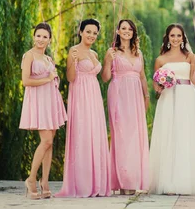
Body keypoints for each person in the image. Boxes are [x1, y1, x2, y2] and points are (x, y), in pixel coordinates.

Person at [149, 23, 195, 195]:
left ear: (183, 38)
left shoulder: (189, 56)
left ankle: (186, 181)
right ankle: (168, 182)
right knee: (169, 135)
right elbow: (155, 83)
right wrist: (159, 86)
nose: (175, 39)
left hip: (186, 96)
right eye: (172, 35)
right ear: (167, 37)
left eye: (178, 36)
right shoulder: (161, 59)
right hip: (168, 98)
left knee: (185, 135)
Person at [55, 19, 111, 198]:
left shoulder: (94, 53)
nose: (92, 36)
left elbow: (101, 77)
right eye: (88, 31)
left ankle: (98, 183)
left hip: (93, 95)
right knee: (82, 133)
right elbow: (70, 77)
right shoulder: (74, 51)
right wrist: (72, 61)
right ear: (81, 31)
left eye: (95, 33)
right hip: (79, 95)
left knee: (95, 133)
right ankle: (81, 184)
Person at [19, 22, 67, 200]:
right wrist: (47, 79)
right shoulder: (29, 56)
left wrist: (54, 80)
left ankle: (45, 181)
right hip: (38, 100)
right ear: (34, 37)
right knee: (46, 140)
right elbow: (26, 81)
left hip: (51, 100)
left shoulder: (48, 59)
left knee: (50, 142)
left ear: (49, 39)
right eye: (38, 35)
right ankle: (31, 179)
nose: (41, 39)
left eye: (44, 36)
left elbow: (52, 78)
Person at [102, 19, 149, 195]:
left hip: (136, 95)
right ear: (118, 31)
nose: (127, 31)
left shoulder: (139, 53)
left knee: (135, 136)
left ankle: (132, 180)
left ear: (133, 32)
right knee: (121, 135)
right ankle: (121, 181)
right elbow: (105, 78)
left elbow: (142, 76)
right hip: (119, 93)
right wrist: (107, 61)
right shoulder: (112, 52)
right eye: (123, 28)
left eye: (130, 29)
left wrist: (146, 96)